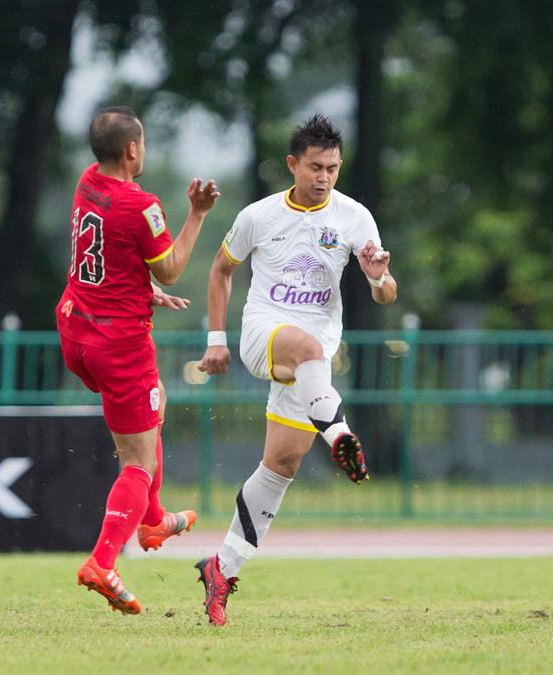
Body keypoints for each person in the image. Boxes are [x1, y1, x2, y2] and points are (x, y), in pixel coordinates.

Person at [194, 113, 397, 625]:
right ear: (292, 164)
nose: (324, 177)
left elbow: (388, 293)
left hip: (314, 370)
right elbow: (221, 270)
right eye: (314, 167)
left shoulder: (355, 217)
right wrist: (216, 340)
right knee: (307, 348)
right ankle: (341, 436)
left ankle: (221, 568)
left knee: (281, 466)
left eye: (332, 168)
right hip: (265, 333)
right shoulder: (258, 216)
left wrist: (378, 278)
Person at [57, 106, 220, 613]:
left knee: (157, 402)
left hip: (76, 330)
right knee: (138, 463)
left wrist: (139, 289)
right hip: (119, 346)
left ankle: (152, 520)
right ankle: (102, 562)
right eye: (142, 143)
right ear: (132, 149)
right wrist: (197, 213)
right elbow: (170, 268)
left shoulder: (87, 183)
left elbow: (105, 252)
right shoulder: (141, 204)